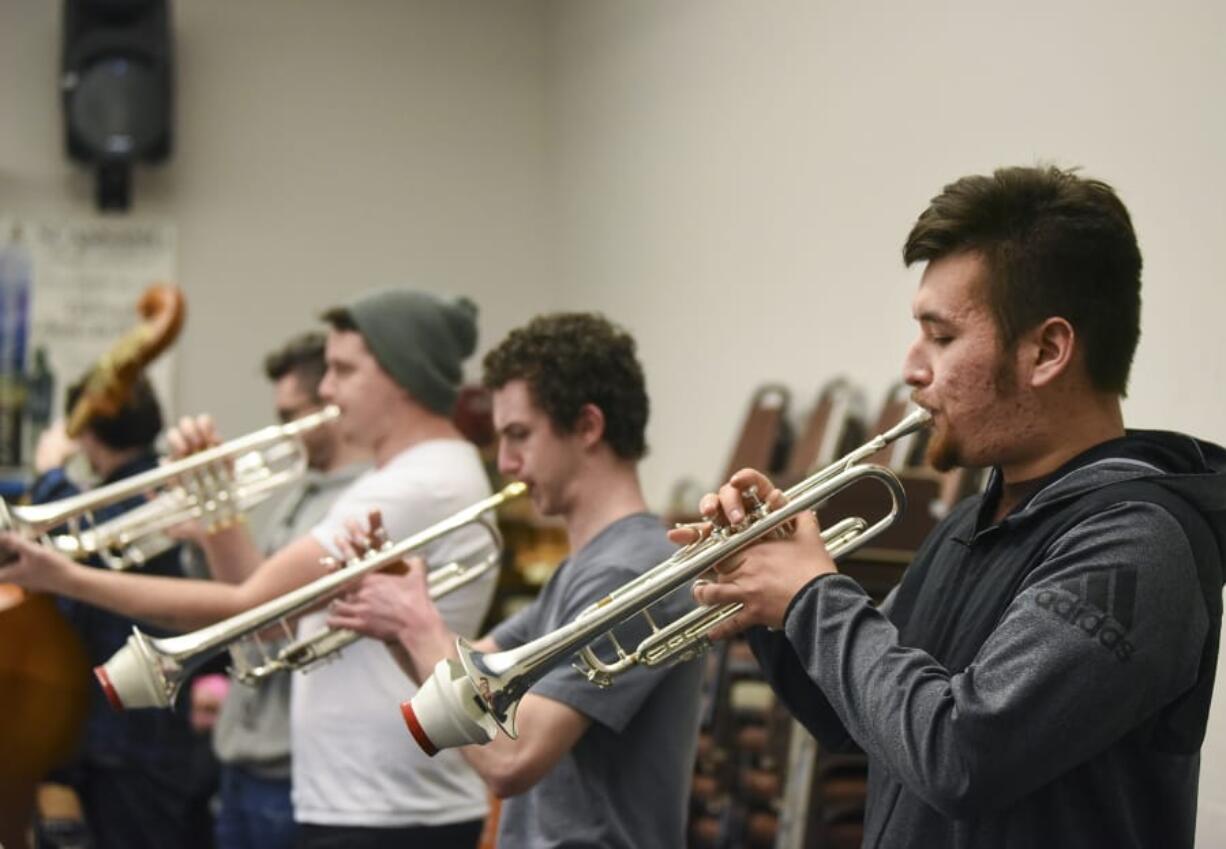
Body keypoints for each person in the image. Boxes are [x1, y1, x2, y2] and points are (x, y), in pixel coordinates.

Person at [680, 165, 1226, 848]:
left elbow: (962, 754)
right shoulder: (976, 521)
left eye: (941, 337)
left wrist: (812, 595)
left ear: (1047, 350)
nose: (912, 368)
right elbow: (861, 716)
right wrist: (766, 592)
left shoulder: (1140, 542)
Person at [0, 289, 499, 849]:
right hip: (361, 796)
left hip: (390, 806)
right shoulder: (397, 477)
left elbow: (250, 607)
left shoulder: (416, 483)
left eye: (342, 369)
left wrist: (61, 575)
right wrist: (215, 503)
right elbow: (261, 610)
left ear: (401, 374)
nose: (328, 389)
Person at [328, 313, 705, 849]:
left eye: (520, 435)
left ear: (588, 427)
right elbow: (467, 680)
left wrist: (416, 623)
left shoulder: (630, 572)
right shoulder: (586, 568)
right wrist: (391, 616)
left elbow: (511, 758)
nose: (506, 463)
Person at [28, 375, 215, 849]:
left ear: (86, 433)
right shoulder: (130, 489)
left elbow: (79, 548)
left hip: (136, 738)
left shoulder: (145, 492)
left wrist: (51, 471)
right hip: (113, 731)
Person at [198, 332, 366, 849]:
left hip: (290, 768)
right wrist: (211, 524)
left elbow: (269, 619)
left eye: (292, 415)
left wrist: (219, 512)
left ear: (330, 407)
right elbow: (243, 598)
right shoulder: (302, 491)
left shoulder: (360, 499)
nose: (282, 432)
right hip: (242, 758)